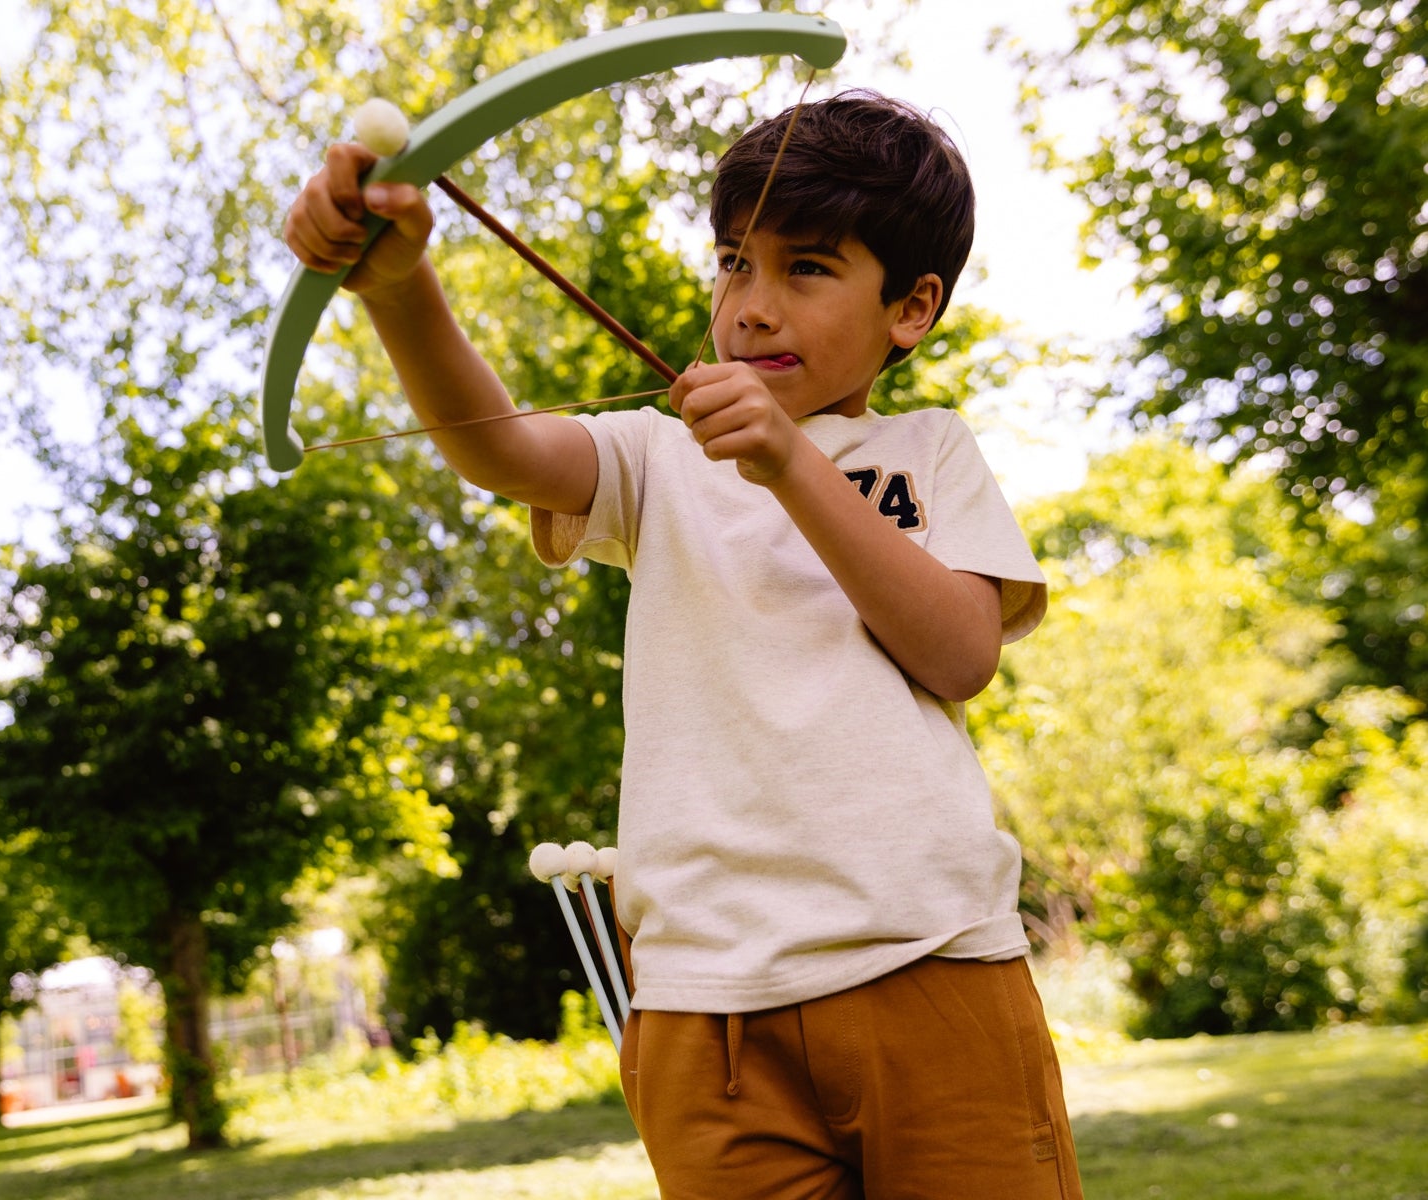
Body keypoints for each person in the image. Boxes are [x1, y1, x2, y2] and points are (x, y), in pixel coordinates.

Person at [285, 87, 1082, 1199]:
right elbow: (502, 446)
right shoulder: (657, 459)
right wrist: (396, 287)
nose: (749, 308)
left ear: (909, 307)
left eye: (804, 268)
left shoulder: (927, 452)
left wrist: (793, 468)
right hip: (703, 1015)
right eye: (732, 263)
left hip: (933, 967)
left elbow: (957, 653)